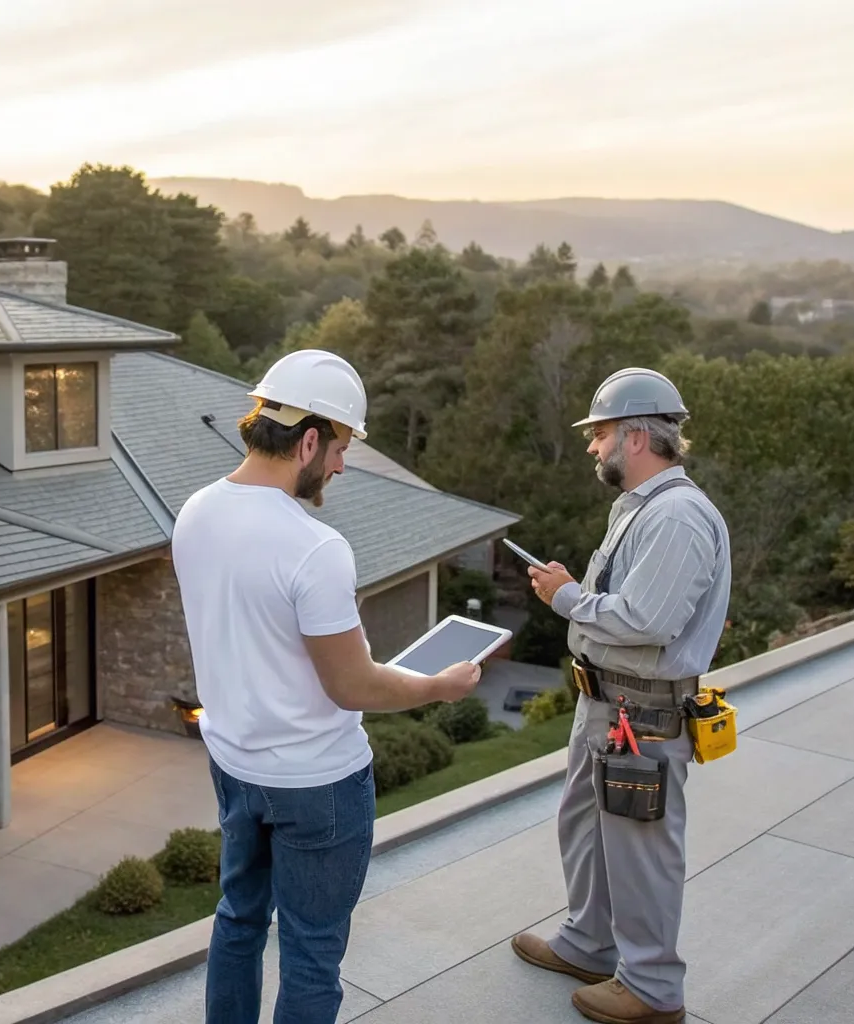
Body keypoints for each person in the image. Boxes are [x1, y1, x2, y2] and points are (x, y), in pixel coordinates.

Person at [171, 349, 483, 1024]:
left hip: (235, 765)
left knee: (238, 920)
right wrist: (438, 687)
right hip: (318, 787)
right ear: (308, 439)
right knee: (312, 954)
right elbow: (353, 685)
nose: (340, 466)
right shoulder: (314, 548)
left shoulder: (195, 512)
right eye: (340, 448)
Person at [512, 368, 732, 1024]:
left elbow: (647, 621)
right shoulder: (639, 508)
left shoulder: (678, 515)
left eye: (600, 433)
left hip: (641, 711)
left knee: (641, 847)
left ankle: (652, 988)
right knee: (584, 823)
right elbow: (634, 606)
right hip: (607, 703)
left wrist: (568, 597)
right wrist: (577, 592)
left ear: (637, 436)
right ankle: (590, 943)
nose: (592, 447)